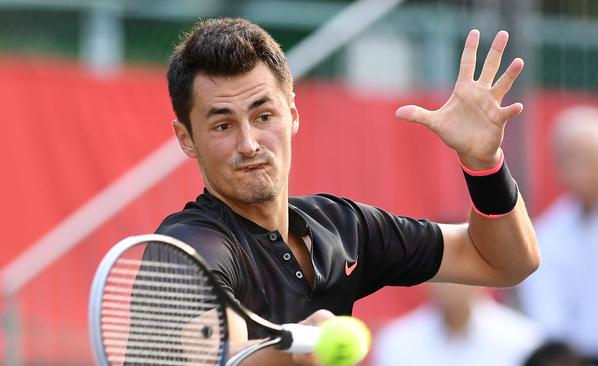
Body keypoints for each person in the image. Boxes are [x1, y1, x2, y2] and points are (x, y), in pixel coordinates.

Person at [158, 17, 540, 365]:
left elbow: (506, 261)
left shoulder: (344, 228)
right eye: (223, 126)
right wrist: (297, 349)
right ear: (186, 138)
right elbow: (215, 357)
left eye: (263, 116)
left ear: (291, 114)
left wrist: (484, 164)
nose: (249, 144)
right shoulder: (187, 247)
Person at [518, 106, 598, 366]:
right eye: (568, 157)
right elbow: (548, 319)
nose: (577, 168)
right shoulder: (549, 232)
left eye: (588, 156)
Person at [373, 283, 543, 366]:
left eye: (459, 265)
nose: (448, 281)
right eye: (438, 267)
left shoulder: (526, 341)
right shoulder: (395, 342)